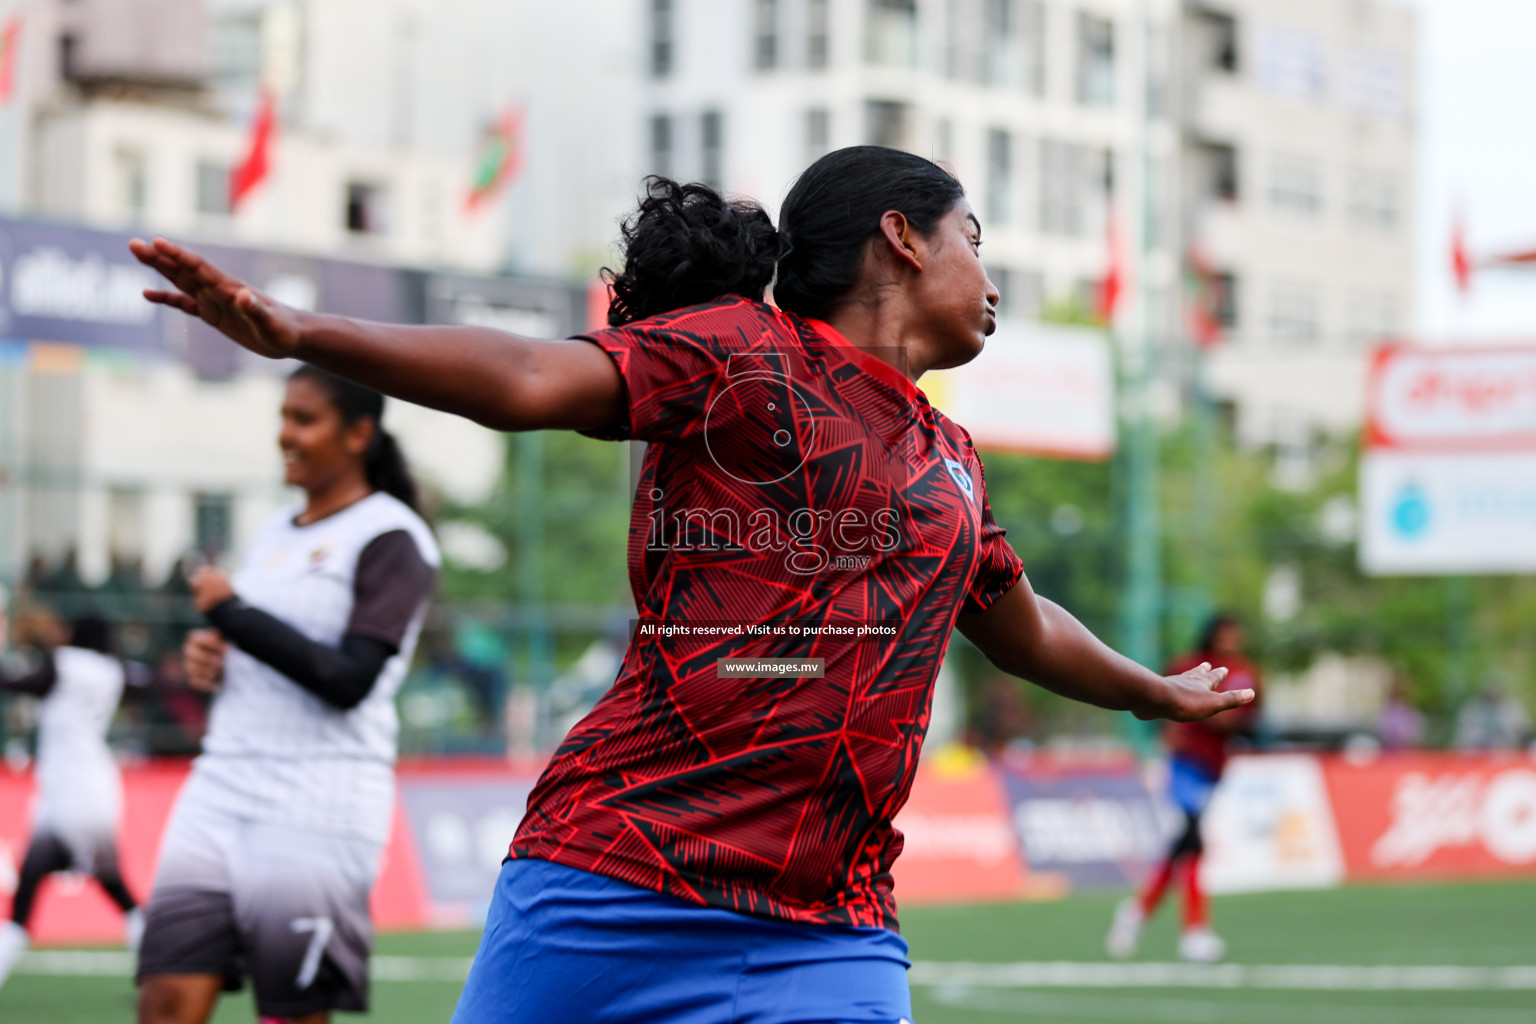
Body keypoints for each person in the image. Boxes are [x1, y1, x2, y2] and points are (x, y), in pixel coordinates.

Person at [132, 147, 1253, 1024]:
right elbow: (528, 374)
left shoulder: (951, 457)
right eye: (976, 237)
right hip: (618, 873)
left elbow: (1019, 624)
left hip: (832, 924)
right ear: (900, 239)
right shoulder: (739, 354)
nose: (993, 276)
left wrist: (1148, 691)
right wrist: (299, 330)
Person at [131, 366, 439, 1024]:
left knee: (290, 1015)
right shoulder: (274, 532)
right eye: (283, 417)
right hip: (220, 789)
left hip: (316, 805)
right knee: (163, 1001)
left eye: (305, 419)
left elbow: (348, 680)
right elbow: (263, 646)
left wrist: (233, 614)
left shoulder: (392, 537)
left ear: (359, 433)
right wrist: (211, 656)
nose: (284, 435)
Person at [0, 609, 146, 991]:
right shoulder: (113, 670)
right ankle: (156, 969)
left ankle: (161, 971)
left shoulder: (67, 663)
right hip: (94, 785)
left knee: (33, 891)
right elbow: (148, 686)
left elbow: (22, 684)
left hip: (69, 788)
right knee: (108, 885)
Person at [1106, 612, 1261, 964]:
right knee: (1192, 843)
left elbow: (1244, 717)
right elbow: (1164, 703)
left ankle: (1136, 912)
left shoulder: (1243, 671)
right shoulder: (1191, 665)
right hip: (1184, 765)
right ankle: (1194, 932)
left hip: (1212, 768)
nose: (1232, 641)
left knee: (1183, 849)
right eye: (1226, 634)